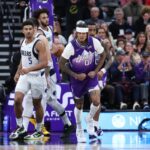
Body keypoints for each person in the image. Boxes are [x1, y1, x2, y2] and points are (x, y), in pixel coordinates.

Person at [59, 20, 105, 142]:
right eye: (79, 33)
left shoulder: (94, 42)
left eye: (84, 33)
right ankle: (79, 129)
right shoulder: (70, 46)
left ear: (87, 34)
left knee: (96, 101)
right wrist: (75, 74)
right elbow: (61, 64)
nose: (81, 35)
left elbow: (104, 55)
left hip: (90, 76)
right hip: (77, 79)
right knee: (79, 105)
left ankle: (89, 118)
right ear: (76, 33)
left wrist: (95, 71)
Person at [33, 9, 74, 138]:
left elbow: (52, 48)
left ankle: (39, 129)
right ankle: (67, 123)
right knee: (50, 100)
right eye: (43, 18)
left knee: (44, 99)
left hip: (49, 70)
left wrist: (57, 49)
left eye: (47, 17)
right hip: (41, 69)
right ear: (38, 20)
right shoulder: (37, 33)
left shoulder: (50, 29)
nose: (46, 19)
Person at [9, 19, 48, 140]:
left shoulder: (39, 43)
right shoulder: (23, 42)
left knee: (37, 104)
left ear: (34, 30)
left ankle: (38, 130)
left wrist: (29, 69)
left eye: (30, 29)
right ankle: (20, 127)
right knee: (17, 100)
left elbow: (44, 63)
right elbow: (23, 58)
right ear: (23, 30)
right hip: (25, 76)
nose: (28, 31)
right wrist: (17, 72)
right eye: (26, 29)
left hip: (37, 77)